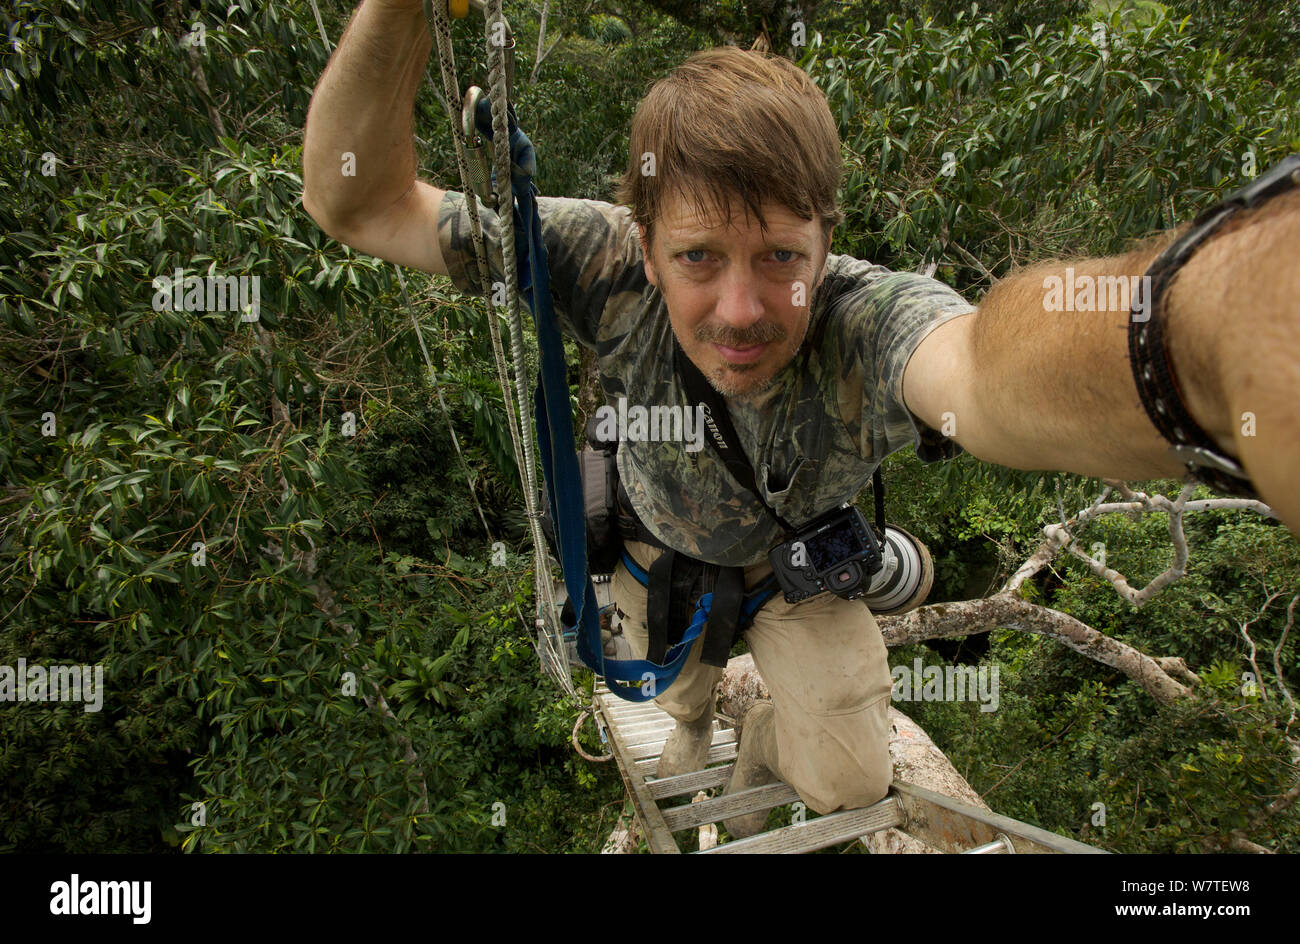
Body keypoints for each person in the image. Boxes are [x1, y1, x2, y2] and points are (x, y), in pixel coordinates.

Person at [303, 1, 1300, 838]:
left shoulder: (869, 324)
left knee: (849, 785)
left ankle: (764, 729)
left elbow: (988, 378)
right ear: (645, 248)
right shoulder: (598, 262)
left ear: (828, 243)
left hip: (791, 573)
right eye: (697, 257)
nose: (739, 310)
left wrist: (1195, 336)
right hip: (652, 547)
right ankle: (703, 710)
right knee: (672, 698)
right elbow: (361, 202)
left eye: (779, 256)